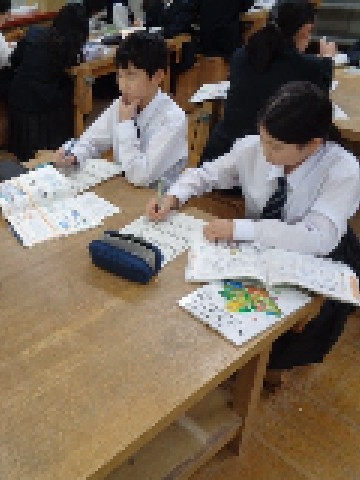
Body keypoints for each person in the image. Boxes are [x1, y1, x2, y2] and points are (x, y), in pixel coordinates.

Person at [148, 81, 360, 377]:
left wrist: (241, 229)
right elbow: (207, 175)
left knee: (284, 337)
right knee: (215, 306)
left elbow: (316, 238)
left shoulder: (342, 169)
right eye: (263, 139)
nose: (265, 152)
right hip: (257, 248)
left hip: (318, 258)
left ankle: (267, 369)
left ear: (313, 145)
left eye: (276, 146)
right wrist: (173, 196)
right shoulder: (254, 148)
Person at [200, 0, 335, 166]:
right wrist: (327, 60)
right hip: (268, 157)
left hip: (220, 152)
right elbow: (319, 102)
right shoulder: (310, 67)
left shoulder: (241, 55)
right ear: (305, 30)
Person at [55, 31, 187, 189]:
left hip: (155, 196)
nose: (123, 84)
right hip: (125, 188)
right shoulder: (122, 104)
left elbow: (140, 176)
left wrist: (126, 123)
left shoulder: (172, 119)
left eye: (131, 76)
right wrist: (74, 155)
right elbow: (91, 140)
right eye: (120, 75)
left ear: (157, 76)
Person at [8, 4, 89, 162]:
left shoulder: (34, 33)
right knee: (70, 88)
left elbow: (14, 59)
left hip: (18, 96)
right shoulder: (67, 46)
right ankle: (71, 142)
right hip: (43, 102)